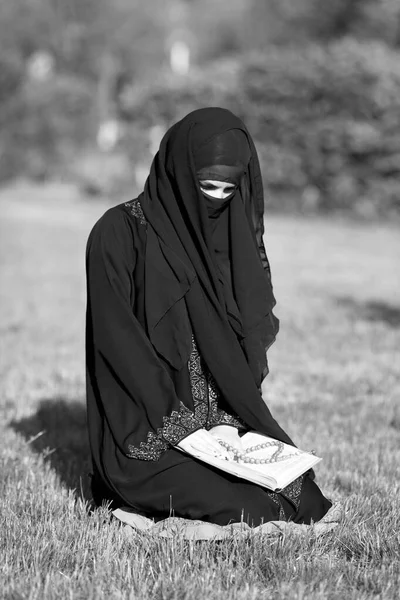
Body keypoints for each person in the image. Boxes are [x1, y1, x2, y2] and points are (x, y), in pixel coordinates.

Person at [85, 107, 332, 526]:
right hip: (148, 430)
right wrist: (182, 428)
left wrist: (224, 427)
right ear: (179, 172)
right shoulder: (118, 233)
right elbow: (119, 346)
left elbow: (238, 348)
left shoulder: (226, 239)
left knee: (304, 500)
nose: (217, 200)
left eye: (228, 189)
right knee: (248, 509)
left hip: (220, 431)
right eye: (206, 186)